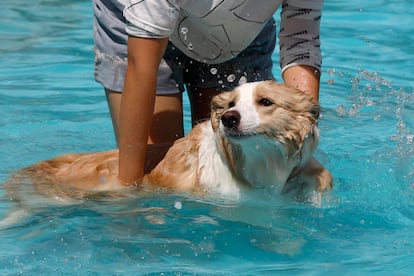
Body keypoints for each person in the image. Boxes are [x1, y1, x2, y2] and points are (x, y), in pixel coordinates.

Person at [93, 0, 324, 186]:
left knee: (237, 169)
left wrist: (303, 150)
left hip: (238, 32)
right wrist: (129, 188)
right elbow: (141, 68)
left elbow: (300, 44)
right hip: (138, 27)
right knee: (159, 180)